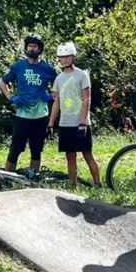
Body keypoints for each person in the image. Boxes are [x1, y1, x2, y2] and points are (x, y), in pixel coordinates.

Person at [0, 34, 57, 172]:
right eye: (29, 46)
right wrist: (10, 97)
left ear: (40, 49)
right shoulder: (18, 66)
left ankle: (33, 177)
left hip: (40, 115)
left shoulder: (47, 68)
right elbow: (2, 81)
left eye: (34, 46)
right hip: (22, 115)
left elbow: (60, 83)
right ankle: (8, 176)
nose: (31, 49)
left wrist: (51, 96)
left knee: (36, 150)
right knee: (15, 149)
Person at [47, 42, 101, 186]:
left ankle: (98, 183)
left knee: (87, 154)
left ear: (73, 57)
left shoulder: (82, 75)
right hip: (65, 123)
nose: (64, 60)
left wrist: (83, 122)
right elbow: (56, 102)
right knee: (70, 155)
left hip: (80, 122)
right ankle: (73, 184)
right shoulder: (59, 79)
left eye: (67, 57)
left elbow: (87, 99)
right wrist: (51, 124)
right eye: (61, 57)